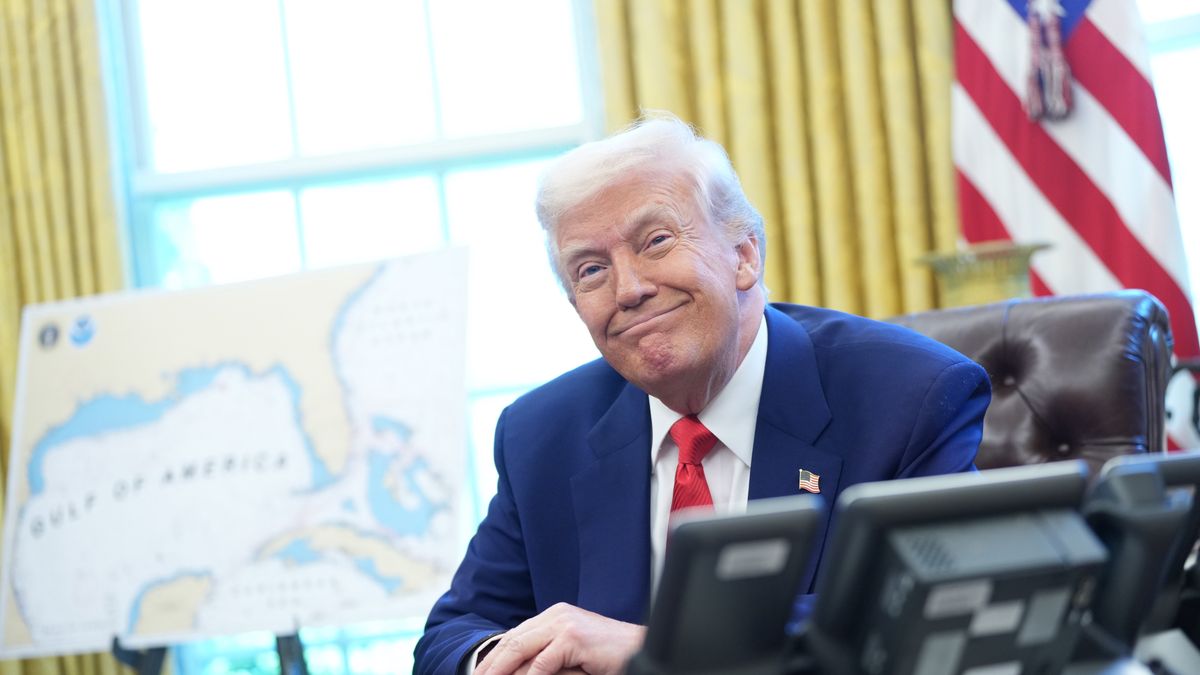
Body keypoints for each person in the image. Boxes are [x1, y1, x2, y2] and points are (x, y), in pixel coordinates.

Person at [414, 114, 990, 675]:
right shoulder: (540, 435)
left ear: (744, 255)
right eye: (590, 271)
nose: (630, 289)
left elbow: (924, 615)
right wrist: (510, 663)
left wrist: (653, 652)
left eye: (656, 240)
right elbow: (452, 637)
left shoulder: (910, 397)